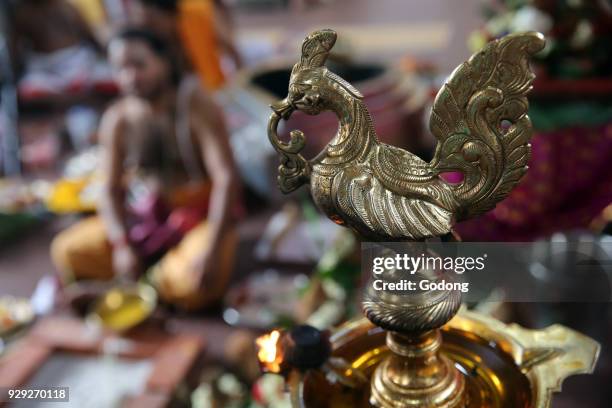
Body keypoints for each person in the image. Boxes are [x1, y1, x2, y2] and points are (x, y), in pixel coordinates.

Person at [51, 28, 240, 310]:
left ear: (165, 62)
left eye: (139, 65)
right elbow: (110, 190)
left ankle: (125, 290)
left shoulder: (196, 105)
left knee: (198, 280)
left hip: (199, 220)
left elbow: (226, 179)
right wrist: (121, 246)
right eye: (120, 68)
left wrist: (212, 248)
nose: (130, 77)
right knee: (66, 251)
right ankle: (151, 287)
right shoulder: (118, 118)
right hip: (145, 219)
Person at [129, 0, 242, 90]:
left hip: (217, 89)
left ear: (168, 14)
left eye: (153, 22)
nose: (153, 29)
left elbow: (231, 50)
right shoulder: (157, 41)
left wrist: (238, 85)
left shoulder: (196, 17)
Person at [6, 0, 111, 97]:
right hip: (44, 69)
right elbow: (14, 53)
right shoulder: (24, 13)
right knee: (28, 85)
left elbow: (91, 38)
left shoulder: (68, 7)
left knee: (101, 75)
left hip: (75, 62)